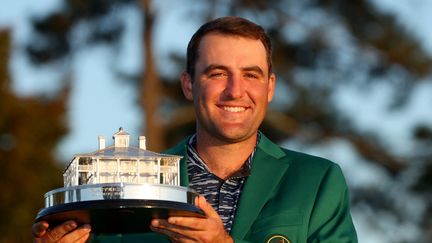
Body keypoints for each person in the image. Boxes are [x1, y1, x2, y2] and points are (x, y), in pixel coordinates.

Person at [32, 16, 358, 242]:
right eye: (217, 73)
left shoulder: (318, 181)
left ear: (270, 87)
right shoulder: (128, 189)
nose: (235, 90)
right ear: (189, 85)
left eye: (251, 74)